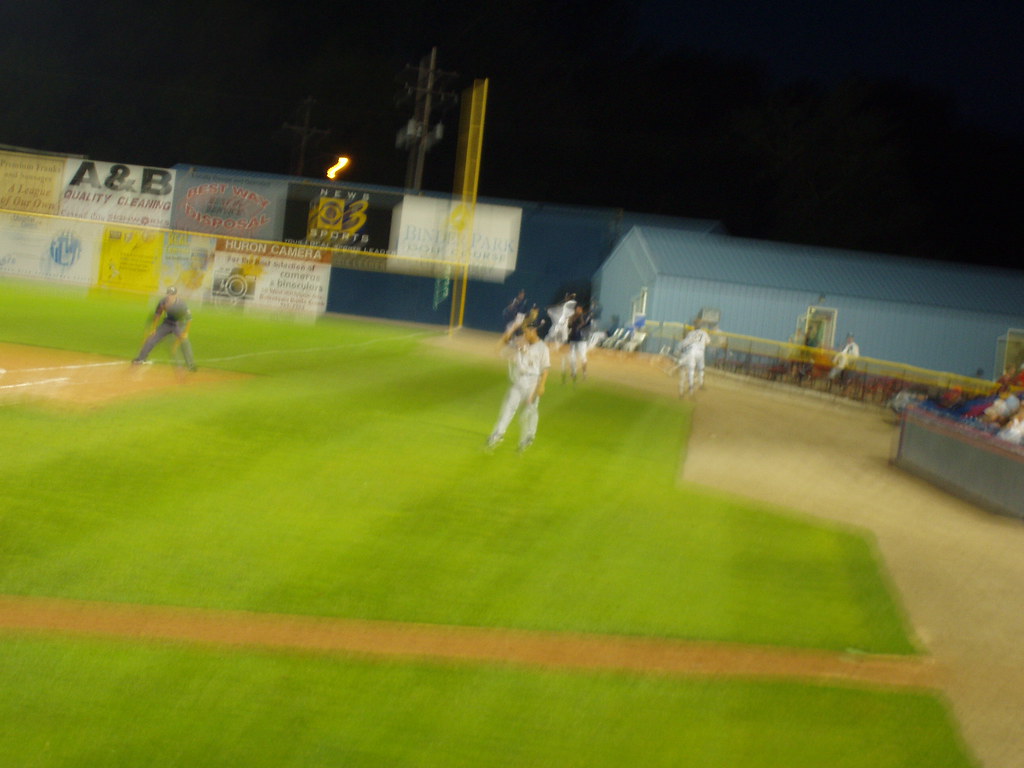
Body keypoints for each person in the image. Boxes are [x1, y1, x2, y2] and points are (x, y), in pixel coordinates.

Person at [486, 319, 551, 452]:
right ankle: (498, 434)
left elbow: (545, 368)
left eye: (527, 331)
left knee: (530, 410)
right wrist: (512, 328)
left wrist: (542, 385)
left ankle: (529, 436)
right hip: (519, 381)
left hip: (533, 383)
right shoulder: (519, 342)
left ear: (534, 331)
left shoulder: (542, 348)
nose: (524, 334)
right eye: (524, 331)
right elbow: (498, 347)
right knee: (508, 408)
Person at [132, 286, 196, 371]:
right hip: (167, 323)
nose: (170, 296)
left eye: (172, 294)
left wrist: (185, 332)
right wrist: (154, 328)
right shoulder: (163, 302)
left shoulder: (181, 304)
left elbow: (189, 319)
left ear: (176, 295)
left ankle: (190, 365)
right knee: (151, 339)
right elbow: (157, 315)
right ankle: (141, 359)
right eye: (169, 294)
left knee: (185, 342)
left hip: (179, 324)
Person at [676, 321, 711, 396]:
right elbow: (708, 342)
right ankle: (701, 384)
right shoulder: (704, 332)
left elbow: (685, 343)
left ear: (694, 327)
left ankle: (691, 386)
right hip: (701, 352)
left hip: (692, 351)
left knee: (691, 370)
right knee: (701, 368)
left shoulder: (690, 333)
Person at [562, 304, 593, 382]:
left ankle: (584, 374)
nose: (578, 310)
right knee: (572, 357)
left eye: (579, 309)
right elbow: (569, 327)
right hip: (573, 339)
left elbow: (584, 324)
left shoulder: (584, 316)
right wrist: (569, 321)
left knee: (583, 357)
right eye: (577, 309)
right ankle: (573, 373)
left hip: (582, 340)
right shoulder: (572, 317)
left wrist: (579, 321)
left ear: (581, 310)